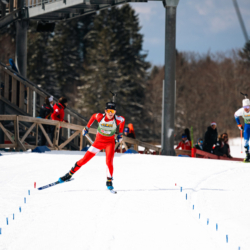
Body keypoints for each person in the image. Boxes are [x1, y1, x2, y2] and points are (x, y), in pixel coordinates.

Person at [58, 101, 125, 191]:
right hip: (98, 142)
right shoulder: (100, 117)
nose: (110, 114)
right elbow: (93, 116)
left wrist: (120, 134)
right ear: (105, 111)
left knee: (109, 162)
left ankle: (109, 181)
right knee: (84, 160)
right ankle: (69, 174)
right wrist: (87, 127)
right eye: (109, 111)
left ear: (115, 112)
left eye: (112, 112)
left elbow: (123, 120)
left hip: (110, 142)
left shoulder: (118, 119)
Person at [234, 96, 250, 162]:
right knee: (245, 140)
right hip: (247, 126)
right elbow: (235, 115)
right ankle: (248, 155)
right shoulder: (241, 111)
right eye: (244, 107)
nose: (246, 109)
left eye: (247, 107)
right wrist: (239, 124)